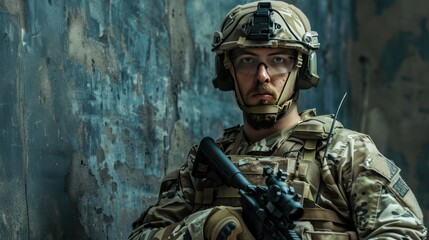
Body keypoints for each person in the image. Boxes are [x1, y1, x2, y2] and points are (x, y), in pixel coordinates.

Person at [128, 1, 427, 239]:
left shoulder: (344, 152)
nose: (262, 76)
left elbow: (402, 233)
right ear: (228, 71)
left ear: (302, 68)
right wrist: (207, 226)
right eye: (247, 61)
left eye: (278, 60)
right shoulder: (204, 166)